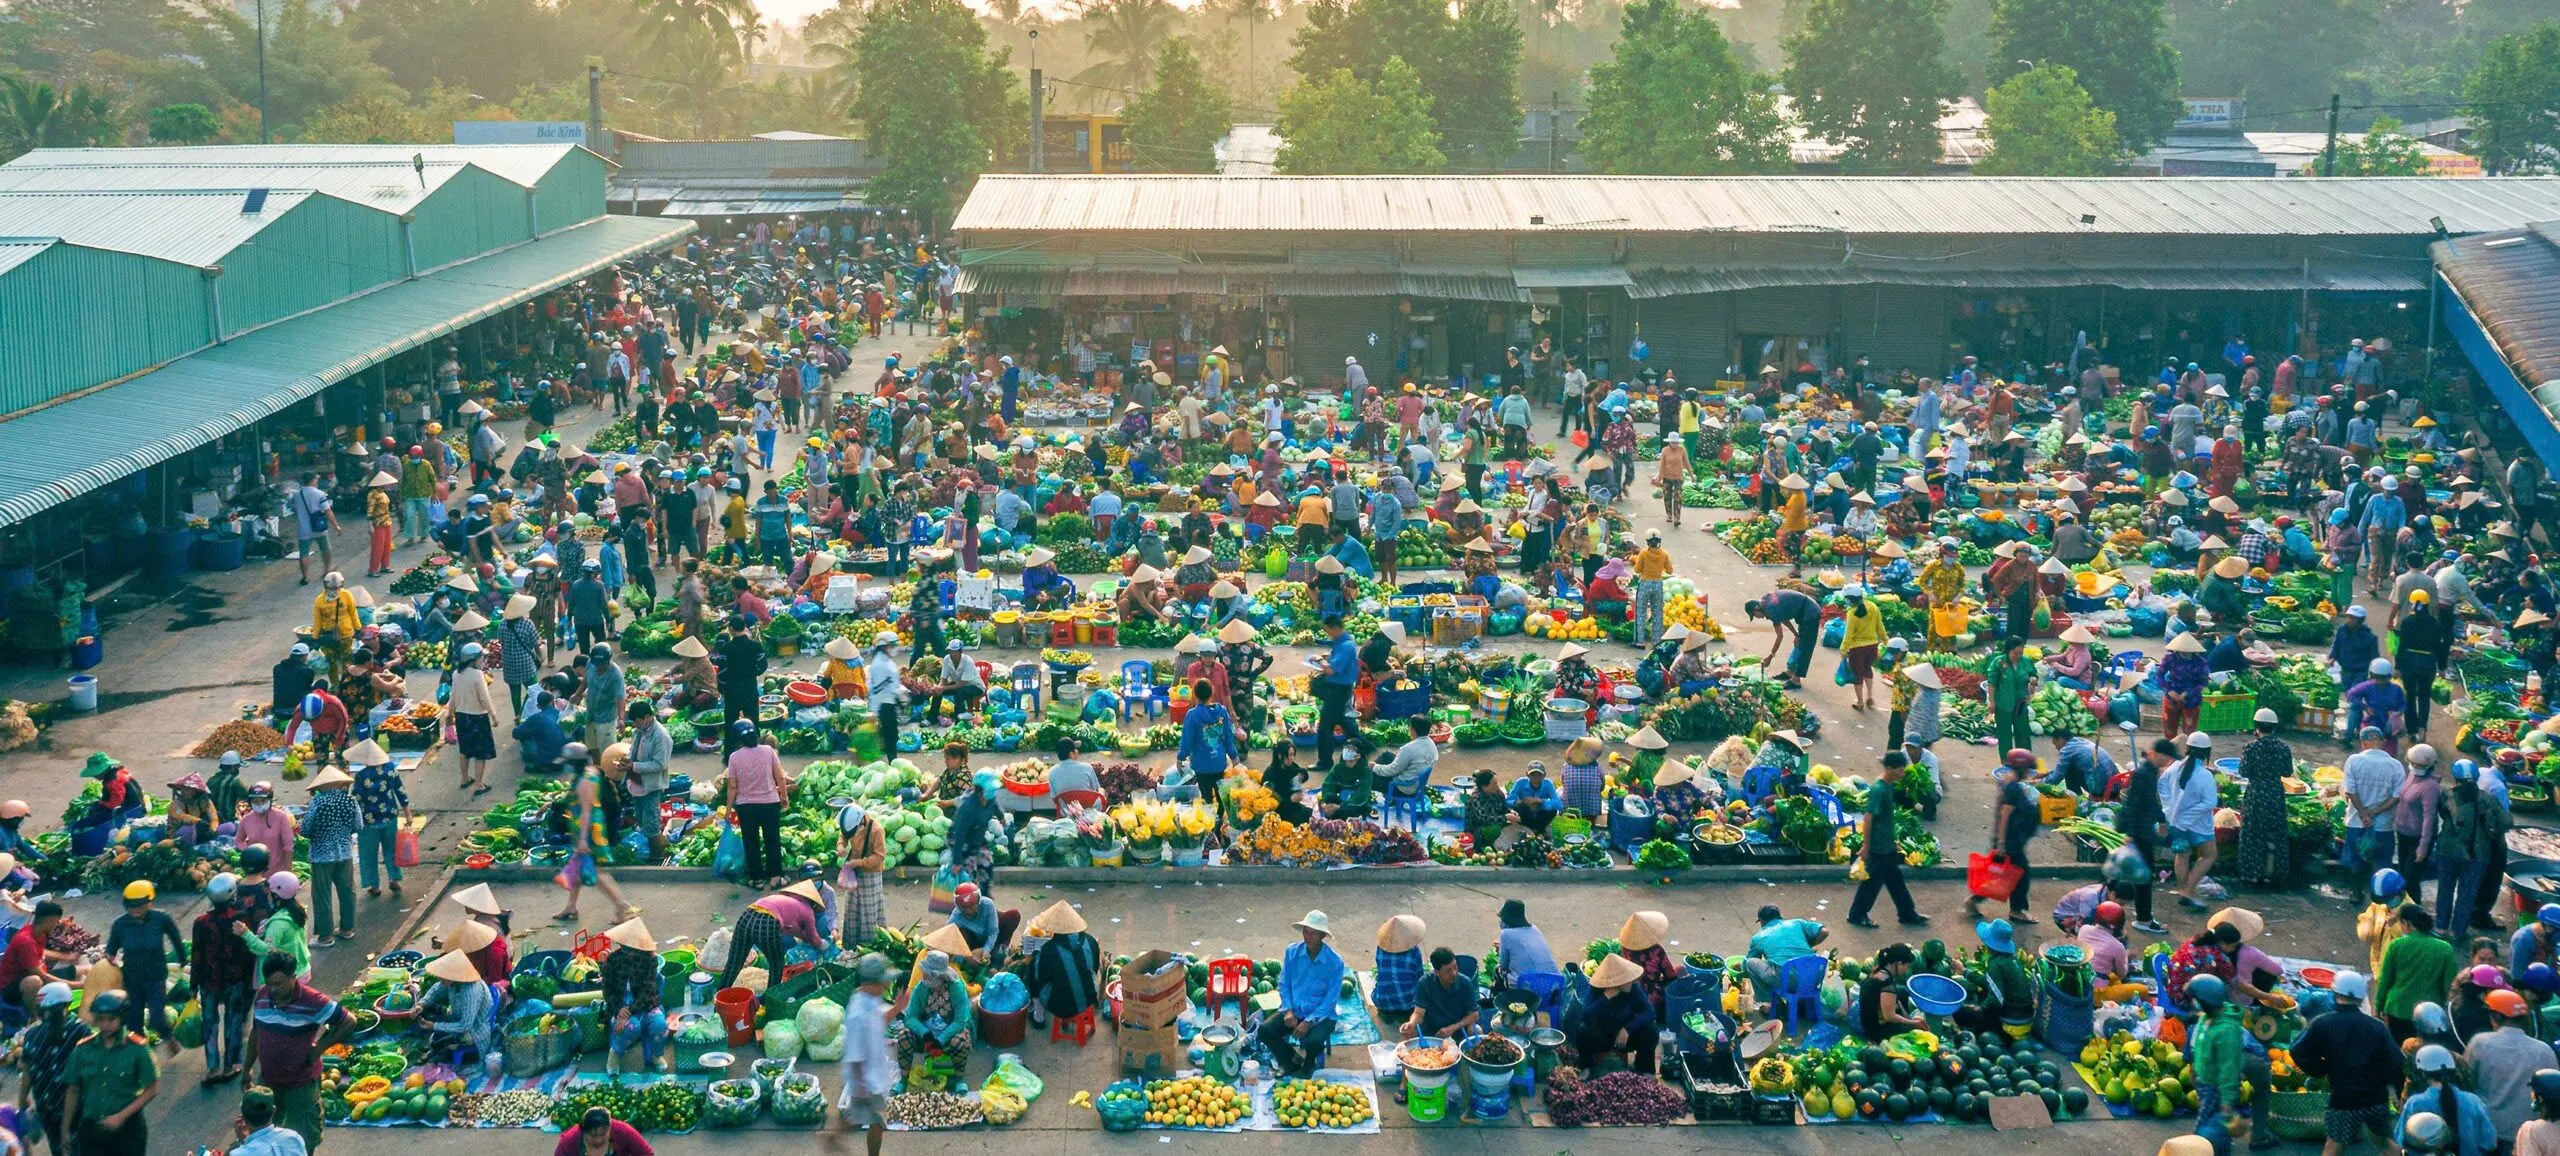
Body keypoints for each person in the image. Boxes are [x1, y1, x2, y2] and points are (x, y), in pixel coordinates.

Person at [247, 953, 354, 1150]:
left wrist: (319, 1048)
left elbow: (348, 1021)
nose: (273, 989)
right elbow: (256, 1032)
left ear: (293, 977)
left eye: (278, 983)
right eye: (269, 983)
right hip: (269, 1080)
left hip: (301, 1082)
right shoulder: (262, 995)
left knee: (303, 1138)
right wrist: (246, 1069)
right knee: (265, 1138)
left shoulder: (312, 1000)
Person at [2185, 974, 2274, 1151]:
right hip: (2210, 1082)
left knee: (2212, 1132)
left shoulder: (2226, 1031)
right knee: (2208, 1125)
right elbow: (2197, 1051)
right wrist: (2196, 1074)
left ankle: (2259, 1137)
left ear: (2204, 1002)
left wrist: (2227, 1101)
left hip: (2253, 1060)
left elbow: (2229, 1069)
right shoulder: (2206, 1017)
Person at [62, 990, 154, 1156]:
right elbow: (73, 1090)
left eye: (111, 1019)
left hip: (128, 1131)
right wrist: (65, 1129)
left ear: (122, 1018)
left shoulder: (138, 1049)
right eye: (100, 1019)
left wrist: (121, 1117)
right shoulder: (83, 1049)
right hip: (92, 1129)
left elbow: (152, 1089)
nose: (104, 1025)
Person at [2463, 988, 2556, 1145]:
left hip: (2488, 1130)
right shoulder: (2544, 1050)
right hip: (2527, 1134)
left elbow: (2466, 1083)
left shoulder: (2480, 1043)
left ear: (2496, 1016)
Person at [1260, 910, 1345, 1080]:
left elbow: (1330, 1000)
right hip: (1295, 1009)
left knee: (1314, 1041)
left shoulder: (1335, 962)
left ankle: (1309, 1065)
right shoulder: (1292, 952)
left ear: (1322, 936)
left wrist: (1308, 1021)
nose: (1308, 936)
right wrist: (1289, 1010)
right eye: (1306, 931)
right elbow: (1284, 984)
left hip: (1322, 1015)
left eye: (1313, 933)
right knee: (1265, 1030)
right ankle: (1290, 1060)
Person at [1847, 752, 1929, 928]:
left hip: (1887, 845)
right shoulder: (1879, 789)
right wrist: (1866, 846)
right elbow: (1868, 818)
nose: (1902, 773)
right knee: (1872, 883)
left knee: (1895, 879)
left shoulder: (1889, 786)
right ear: (1890, 769)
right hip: (1877, 847)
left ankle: (1907, 912)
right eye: (1900, 770)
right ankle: (1857, 915)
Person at [103, 882, 184, 1052]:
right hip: (132, 978)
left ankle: (169, 1037)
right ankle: (142, 1055)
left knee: (157, 1017)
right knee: (134, 1021)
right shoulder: (120, 924)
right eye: (130, 907)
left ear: (150, 903)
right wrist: (108, 962)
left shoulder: (161, 919)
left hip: (156, 976)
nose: (135, 910)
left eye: (139, 906)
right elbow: (111, 949)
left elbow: (176, 940)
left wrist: (183, 959)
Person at [2437, 759, 2511, 938]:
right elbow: (2506, 822)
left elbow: (2441, 813)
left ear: (2455, 777)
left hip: (2447, 850)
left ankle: (2440, 927)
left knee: (2445, 889)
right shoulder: (2487, 799)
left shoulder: (2446, 795)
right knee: (2467, 894)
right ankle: (2458, 931)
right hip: (2477, 854)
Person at [192, 874, 256, 1084]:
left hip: (209, 981)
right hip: (235, 979)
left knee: (209, 1023)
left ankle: (212, 1068)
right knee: (234, 1021)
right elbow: (247, 952)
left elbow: (197, 955)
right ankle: (230, 1065)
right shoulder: (241, 919)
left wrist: (193, 985)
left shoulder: (201, 923)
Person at [716, 881, 826, 991]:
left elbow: (792, 928)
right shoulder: (807, 910)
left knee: (735, 961)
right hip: (767, 921)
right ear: (813, 902)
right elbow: (814, 939)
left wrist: (803, 937)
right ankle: (770, 999)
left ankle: (720, 994)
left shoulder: (781, 899)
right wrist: (822, 944)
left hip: (746, 916)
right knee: (776, 965)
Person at [835, 954, 895, 1156]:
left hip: (873, 1074)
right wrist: (861, 1087)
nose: (885, 988)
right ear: (870, 983)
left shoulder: (870, 999)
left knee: (859, 1116)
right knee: (877, 1120)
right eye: (882, 983)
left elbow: (880, 1020)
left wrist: (899, 1007)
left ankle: (833, 1137)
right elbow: (855, 1055)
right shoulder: (857, 1014)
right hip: (866, 1079)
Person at [16, 981, 85, 1154]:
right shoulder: (80, 1030)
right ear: (67, 1004)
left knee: (58, 1147)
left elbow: (26, 1071)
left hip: (46, 1105)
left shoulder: (31, 1034)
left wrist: (23, 1101)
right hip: (78, 1106)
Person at [723, 722, 792, 889]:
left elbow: (733, 787)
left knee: (751, 843)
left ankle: (757, 880)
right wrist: (784, 796)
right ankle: (776, 878)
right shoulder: (768, 751)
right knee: (772, 840)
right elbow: (780, 777)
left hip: (746, 807)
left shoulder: (734, 757)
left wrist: (728, 809)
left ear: (738, 740)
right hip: (770, 804)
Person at [894, 949, 977, 1087]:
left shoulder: (956, 988)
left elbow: (961, 1021)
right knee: (904, 1036)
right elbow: (910, 1017)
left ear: (939, 976)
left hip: (949, 1032)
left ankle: (958, 1079)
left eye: (927, 974)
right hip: (926, 1034)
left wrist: (940, 1040)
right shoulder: (921, 988)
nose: (924, 976)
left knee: (961, 1041)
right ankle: (903, 1079)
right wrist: (925, 1034)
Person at [2378, 904, 2461, 1039]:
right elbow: (2450, 986)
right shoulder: (2445, 949)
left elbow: (2385, 981)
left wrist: (2378, 1006)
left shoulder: (2396, 945)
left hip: (2398, 1009)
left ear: (2406, 923)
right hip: (2430, 1013)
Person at [594, 918, 665, 1074]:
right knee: (630, 1027)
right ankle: (614, 1053)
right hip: (619, 1005)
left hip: (644, 1004)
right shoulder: (613, 960)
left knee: (660, 1024)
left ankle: (655, 1055)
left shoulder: (649, 960)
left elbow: (648, 991)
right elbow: (607, 989)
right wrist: (619, 1010)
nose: (628, 952)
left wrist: (629, 1011)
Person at [2234, 710, 2295, 887]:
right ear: (2274, 727)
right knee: (2275, 834)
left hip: (2256, 793)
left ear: (2256, 727)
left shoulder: (2251, 748)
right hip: (2275, 793)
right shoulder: (2283, 748)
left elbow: (2244, 772)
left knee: (2252, 834)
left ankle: (2251, 874)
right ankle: (2273, 874)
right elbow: (2287, 772)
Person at [2401, 1044, 2497, 1156]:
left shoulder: (2415, 1103)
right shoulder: (2473, 1101)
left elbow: (2402, 1140)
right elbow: (2490, 1143)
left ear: (2422, 1072)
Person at [1018, 901, 1101, 1028]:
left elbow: (1041, 979)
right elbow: (1094, 969)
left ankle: (1038, 1016)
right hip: (1089, 998)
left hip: (1059, 1006)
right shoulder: (1091, 941)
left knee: (1033, 968)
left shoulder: (1048, 949)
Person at [2162, 734, 2222, 909]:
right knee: (2209, 855)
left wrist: (2170, 809)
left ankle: (2182, 890)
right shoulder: (2204, 775)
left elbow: (2162, 787)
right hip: (2199, 825)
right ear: (2207, 752)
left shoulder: (2173, 768)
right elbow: (2210, 803)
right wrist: (2189, 816)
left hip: (2176, 822)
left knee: (2182, 855)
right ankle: (2188, 890)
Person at [1574, 954, 1656, 1073]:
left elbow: (1650, 1012)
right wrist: (1605, 998)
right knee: (1582, 1031)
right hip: (1602, 1037)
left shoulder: (1634, 989)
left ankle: (1644, 1068)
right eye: (1626, 980)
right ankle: (1586, 1067)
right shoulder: (1596, 990)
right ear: (1616, 982)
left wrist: (1628, 1029)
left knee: (1651, 1031)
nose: (1631, 981)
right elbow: (1586, 1016)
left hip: (1626, 1039)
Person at [416, 949, 495, 1070]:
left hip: (474, 1031)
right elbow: (436, 989)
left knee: (442, 1042)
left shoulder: (470, 991)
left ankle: (442, 1052)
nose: (439, 977)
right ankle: (436, 1045)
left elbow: (465, 1026)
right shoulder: (452, 981)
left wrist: (434, 1026)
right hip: (456, 1018)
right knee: (428, 1010)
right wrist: (421, 1004)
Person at [1742, 904, 1829, 1004]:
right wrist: (1810, 945)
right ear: (1779, 916)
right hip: (1815, 977)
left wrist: (1741, 972)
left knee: (1750, 963)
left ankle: (1768, 1002)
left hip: (1789, 981)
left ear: (1762, 921)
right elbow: (1824, 932)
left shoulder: (1759, 936)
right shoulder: (1797, 923)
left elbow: (1748, 962)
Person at [834, 804, 888, 950]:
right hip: (854, 871)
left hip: (871, 874)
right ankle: (850, 946)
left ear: (861, 822)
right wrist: (840, 846)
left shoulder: (876, 831)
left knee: (868, 910)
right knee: (852, 908)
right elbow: (843, 835)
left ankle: (869, 946)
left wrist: (859, 863)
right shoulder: (851, 825)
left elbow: (880, 856)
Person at [1744, 588, 1822, 688]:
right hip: (1803, 610)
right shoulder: (1766, 601)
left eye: (1755, 615)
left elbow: (1780, 636)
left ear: (1756, 608)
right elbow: (1784, 618)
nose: (1758, 618)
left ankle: (1796, 680)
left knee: (1806, 646)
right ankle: (1790, 672)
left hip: (1810, 611)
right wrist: (1796, 634)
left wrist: (1770, 656)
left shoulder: (1771, 610)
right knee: (1799, 642)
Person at [239, 873, 310, 980]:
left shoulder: (278, 923)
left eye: (269, 894)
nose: (267, 896)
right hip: (301, 968)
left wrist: (245, 933)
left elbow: (266, 949)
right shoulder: (296, 911)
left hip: (286, 977)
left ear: (276, 895)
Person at [1403, 947, 1481, 1040]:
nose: (1454, 973)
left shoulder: (1465, 983)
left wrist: (1453, 1027)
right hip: (1433, 1030)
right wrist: (1411, 1024)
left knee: (1476, 1030)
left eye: (1455, 967)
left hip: (1458, 1029)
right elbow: (1419, 1013)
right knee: (1410, 1032)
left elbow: (1474, 1015)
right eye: (1448, 971)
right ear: (1436, 972)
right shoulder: (1425, 983)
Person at [1859, 943, 1927, 1040]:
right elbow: (1889, 1016)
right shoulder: (1886, 985)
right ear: (1899, 964)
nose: (1907, 970)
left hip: (1866, 1021)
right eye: (1907, 966)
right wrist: (1913, 1023)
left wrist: (1908, 1018)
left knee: (1902, 992)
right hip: (1876, 1031)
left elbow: (1896, 1001)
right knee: (1916, 1035)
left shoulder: (1877, 971)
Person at [1494, 899, 1558, 988]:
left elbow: (1503, 966)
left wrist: (1500, 951)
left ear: (1506, 920)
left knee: (1498, 971)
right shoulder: (1535, 929)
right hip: (1554, 983)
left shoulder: (1505, 934)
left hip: (1528, 986)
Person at [229, 1086, 310, 1156]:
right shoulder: (293, 1137)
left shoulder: (239, 1154)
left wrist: (241, 1142)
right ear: (274, 1111)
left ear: (243, 1116)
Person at [553, 1106, 653, 1156]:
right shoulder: (569, 1140)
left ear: (610, 1127)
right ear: (583, 1131)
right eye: (592, 1136)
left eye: (603, 1134)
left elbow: (646, 1153)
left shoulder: (623, 1131)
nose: (598, 1141)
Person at [1505, 765, 1561, 835]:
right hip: (1526, 813)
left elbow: (1558, 804)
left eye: (1539, 775)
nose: (1536, 778)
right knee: (1518, 808)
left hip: (1541, 813)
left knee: (1553, 810)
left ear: (1544, 775)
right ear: (1527, 774)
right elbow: (1507, 801)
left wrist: (1540, 801)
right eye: (1532, 775)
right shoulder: (1520, 782)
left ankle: (1540, 829)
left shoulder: (1548, 784)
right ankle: (1527, 828)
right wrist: (1520, 802)